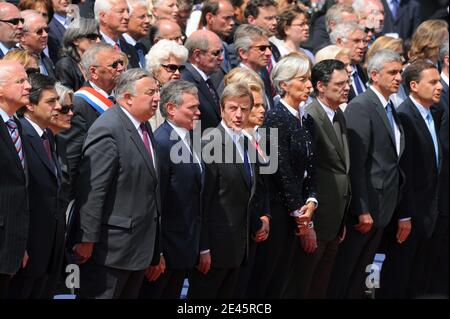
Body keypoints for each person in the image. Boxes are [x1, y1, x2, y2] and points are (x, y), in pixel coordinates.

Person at [73, 68, 164, 299]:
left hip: (137, 248)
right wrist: (87, 239)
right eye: (150, 92)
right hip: (110, 251)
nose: (157, 98)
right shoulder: (108, 128)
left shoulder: (143, 126)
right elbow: (94, 189)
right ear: (127, 98)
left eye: (158, 91)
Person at [327, 49, 406, 299]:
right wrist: (361, 209)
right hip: (366, 209)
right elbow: (357, 164)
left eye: (400, 72)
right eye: (392, 72)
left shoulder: (389, 106)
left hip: (385, 206)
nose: (398, 78)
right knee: (346, 272)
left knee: (363, 274)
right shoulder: (362, 107)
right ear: (374, 74)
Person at [248, 53, 318, 298]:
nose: (309, 85)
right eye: (302, 79)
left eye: (309, 79)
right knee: (268, 280)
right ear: (284, 85)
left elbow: (310, 166)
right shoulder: (276, 118)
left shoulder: (305, 118)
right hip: (279, 212)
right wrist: (301, 214)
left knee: (282, 280)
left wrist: (312, 200)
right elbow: (281, 171)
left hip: (297, 210)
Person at [188, 82, 266, 299]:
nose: (239, 114)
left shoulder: (248, 144)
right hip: (214, 251)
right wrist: (203, 248)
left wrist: (262, 218)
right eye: (233, 108)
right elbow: (202, 202)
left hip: (240, 249)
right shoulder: (208, 144)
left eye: (244, 108)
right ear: (222, 110)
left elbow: (250, 192)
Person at [283, 59, 351, 299]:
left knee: (319, 288)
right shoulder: (311, 116)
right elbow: (302, 174)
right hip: (315, 220)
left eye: (348, 82)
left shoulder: (338, 114)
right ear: (320, 86)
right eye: (340, 83)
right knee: (301, 286)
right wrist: (307, 225)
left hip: (334, 220)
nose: (347, 87)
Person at [379, 60, 443, 298]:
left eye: (440, 81)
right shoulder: (405, 116)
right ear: (414, 85)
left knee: (419, 280)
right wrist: (405, 214)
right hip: (409, 215)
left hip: (430, 212)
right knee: (399, 277)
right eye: (433, 82)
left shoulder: (434, 113)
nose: (440, 87)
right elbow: (404, 170)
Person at [140, 80, 203, 299]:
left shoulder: (189, 140)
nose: (198, 112)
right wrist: (157, 253)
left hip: (184, 248)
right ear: (171, 109)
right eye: (192, 108)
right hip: (166, 252)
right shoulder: (162, 143)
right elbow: (157, 202)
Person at [8, 74, 64, 299]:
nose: (58, 107)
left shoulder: (48, 136)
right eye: (51, 101)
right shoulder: (19, 134)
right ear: (30, 105)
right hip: (27, 249)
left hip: (48, 249)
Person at [0, 60, 32, 298]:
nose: (29, 86)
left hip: (11, 245)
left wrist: (18, 243)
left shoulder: (16, 125)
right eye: (20, 81)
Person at [181, 30, 224, 132]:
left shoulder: (206, 78)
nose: (221, 58)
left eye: (221, 52)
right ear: (197, 55)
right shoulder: (186, 82)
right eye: (216, 53)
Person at [145, 39, 188, 130]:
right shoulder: (149, 96)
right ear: (155, 69)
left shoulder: (184, 93)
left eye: (180, 68)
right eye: (172, 67)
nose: (177, 73)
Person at [233, 24, 275, 109]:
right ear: (243, 53)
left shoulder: (264, 73)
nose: (268, 53)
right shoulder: (235, 80)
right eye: (262, 48)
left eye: (269, 47)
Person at [55, 18, 101, 91]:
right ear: (76, 40)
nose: (98, 41)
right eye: (93, 37)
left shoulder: (96, 62)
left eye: (99, 37)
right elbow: (67, 97)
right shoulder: (65, 65)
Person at [95, 0, 141, 68]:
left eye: (128, 11)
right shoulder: (93, 47)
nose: (127, 17)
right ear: (103, 16)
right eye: (120, 11)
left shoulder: (130, 49)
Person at [330, 21, 368, 102]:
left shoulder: (363, 70)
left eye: (364, 41)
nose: (362, 46)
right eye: (356, 41)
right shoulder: (332, 72)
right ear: (339, 42)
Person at [20, 10, 55, 78]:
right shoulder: (18, 63)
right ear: (22, 36)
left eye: (46, 29)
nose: (45, 35)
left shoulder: (47, 60)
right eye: (39, 31)